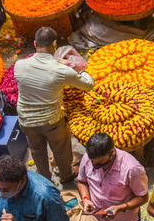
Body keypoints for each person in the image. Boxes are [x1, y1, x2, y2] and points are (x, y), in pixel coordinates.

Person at [14, 27, 94, 182]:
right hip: (50, 121)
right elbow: (88, 85)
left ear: (35, 43)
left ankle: (45, 179)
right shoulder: (62, 70)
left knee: (37, 150)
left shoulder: (19, 65)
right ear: (55, 45)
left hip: (26, 121)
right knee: (61, 149)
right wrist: (80, 70)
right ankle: (66, 175)